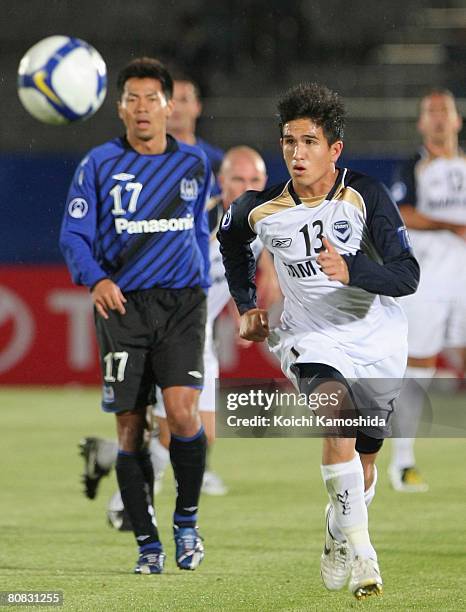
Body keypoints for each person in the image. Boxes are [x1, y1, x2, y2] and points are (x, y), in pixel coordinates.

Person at [218, 83, 420, 600]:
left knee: (366, 459)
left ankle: (337, 533)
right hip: (309, 338)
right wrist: (247, 307)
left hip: (376, 340)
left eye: (309, 142)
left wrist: (352, 270)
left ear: (335, 150)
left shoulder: (366, 195)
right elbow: (232, 243)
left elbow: (406, 275)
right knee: (337, 418)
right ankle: (363, 555)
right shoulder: (259, 208)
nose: (296, 153)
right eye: (288, 141)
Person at [60, 57, 211, 575]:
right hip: (123, 305)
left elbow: (194, 231)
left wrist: (204, 281)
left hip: (182, 303)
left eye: (152, 99)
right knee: (129, 430)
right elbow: (74, 235)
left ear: (170, 106)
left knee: (184, 413)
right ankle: (148, 545)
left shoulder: (193, 164)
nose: (143, 109)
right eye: (133, 99)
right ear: (119, 107)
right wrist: (96, 278)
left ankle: (186, 524)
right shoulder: (98, 164)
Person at [79, 146, 276, 524]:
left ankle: (108, 455)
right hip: (163, 325)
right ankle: (126, 503)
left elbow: (258, 266)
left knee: (201, 432)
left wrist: (249, 307)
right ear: (222, 181)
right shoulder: (195, 215)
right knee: (176, 427)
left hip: (197, 330)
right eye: (238, 178)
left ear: (264, 182)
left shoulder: (264, 220)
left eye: (254, 180)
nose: (246, 186)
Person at [389, 89, 466, 492]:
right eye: (430, 112)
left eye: (444, 112)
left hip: (465, 278)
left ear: (457, 120)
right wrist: (453, 226)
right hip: (429, 281)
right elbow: (405, 213)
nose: (438, 118)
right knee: (419, 367)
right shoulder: (412, 167)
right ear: (422, 123)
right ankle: (403, 462)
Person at [167, 76, 224, 194]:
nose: (176, 108)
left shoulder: (216, 161)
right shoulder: (143, 159)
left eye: (183, 100)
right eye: (170, 100)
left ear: (197, 107)